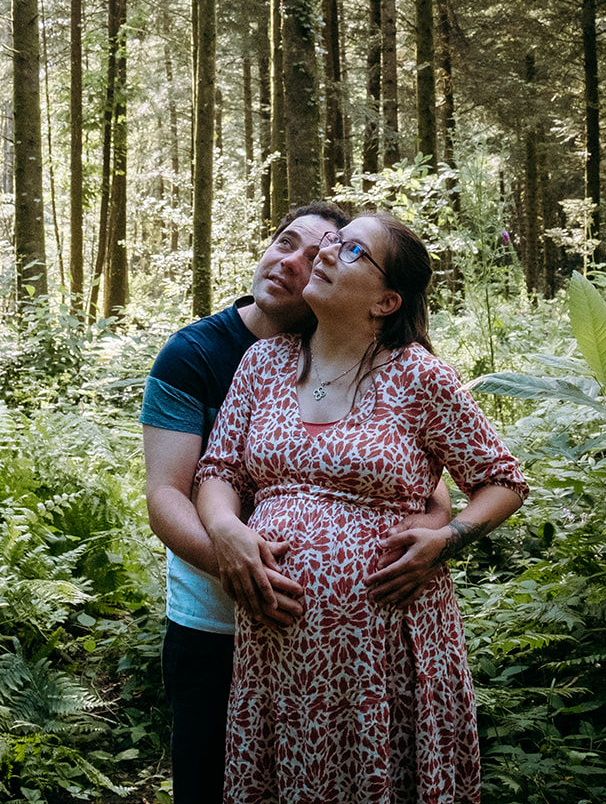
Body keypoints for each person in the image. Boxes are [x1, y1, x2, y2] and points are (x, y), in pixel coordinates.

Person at [195, 211, 528, 804]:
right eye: (333, 242)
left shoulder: (420, 378)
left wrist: (447, 539)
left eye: (351, 251)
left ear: (386, 301)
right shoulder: (263, 363)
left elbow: (502, 480)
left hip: (387, 650)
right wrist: (224, 527)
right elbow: (219, 471)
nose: (325, 253)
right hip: (279, 657)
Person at [141, 203, 452, 804]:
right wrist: (236, 561)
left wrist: (432, 539)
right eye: (285, 242)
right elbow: (166, 493)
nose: (291, 262)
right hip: (217, 625)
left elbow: (426, 489)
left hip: (349, 639)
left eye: (317, 254)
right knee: (214, 783)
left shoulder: (362, 356)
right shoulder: (196, 354)